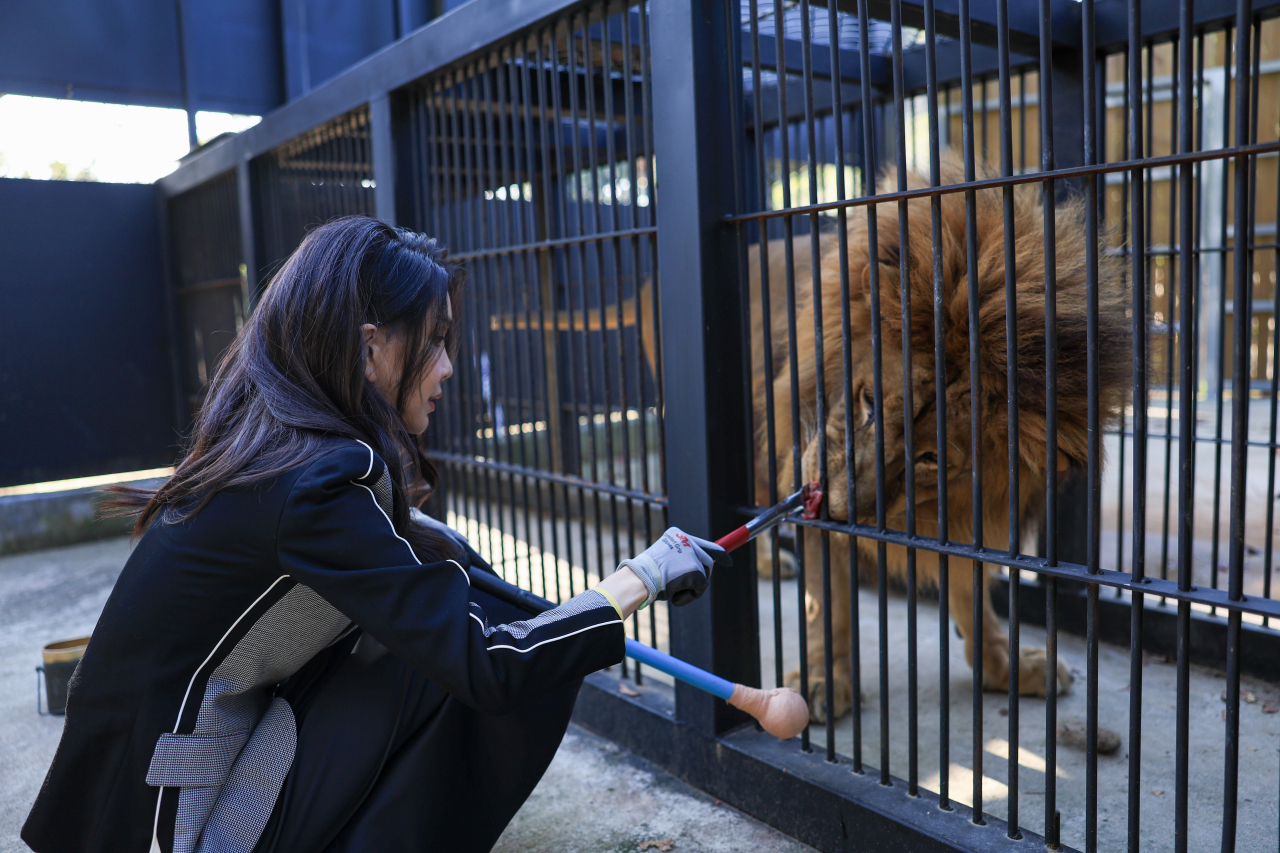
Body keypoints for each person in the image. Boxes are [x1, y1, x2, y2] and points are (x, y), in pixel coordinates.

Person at [21, 217, 729, 853]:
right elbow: (483, 662)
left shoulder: (277, 449)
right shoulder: (321, 481)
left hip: (142, 788)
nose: (448, 368)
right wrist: (644, 575)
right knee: (482, 658)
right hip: (174, 818)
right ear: (370, 352)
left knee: (465, 617)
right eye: (437, 342)